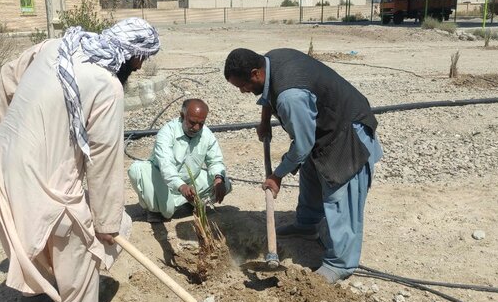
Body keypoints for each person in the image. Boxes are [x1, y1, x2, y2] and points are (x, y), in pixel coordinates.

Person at [0, 18, 160, 302]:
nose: (139, 67)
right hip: (43, 171)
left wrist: (1, 128)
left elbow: (8, 73)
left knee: (33, 228)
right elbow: (105, 156)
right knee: (79, 238)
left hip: (4, 160)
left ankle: (32, 299)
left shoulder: (60, 45)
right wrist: (107, 223)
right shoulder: (107, 85)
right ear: (134, 56)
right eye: (142, 60)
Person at [223, 47, 382, 283]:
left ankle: (339, 263)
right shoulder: (271, 60)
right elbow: (268, 95)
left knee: (339, 195)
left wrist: (276, 176)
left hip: (348, 132)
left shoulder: (290, 96)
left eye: (242, 86)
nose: (242, 91)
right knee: (310, 172)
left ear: (256, 73)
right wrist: (265, 121)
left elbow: (302, 145)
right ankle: (307, 225)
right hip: (324, 127)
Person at [128, 98, 231, 223]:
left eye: (201, 124)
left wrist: (218, 179)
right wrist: (181, 186)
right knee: (137, 170)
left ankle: (188, 202)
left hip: (190, 181)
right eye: (192, 122)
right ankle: (156, 209)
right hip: (162, 181)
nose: (197, 128)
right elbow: (166, 166)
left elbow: (215, 161)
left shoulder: (206, 134)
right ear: (182, 116)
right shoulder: (166, 133)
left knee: (224, 184)